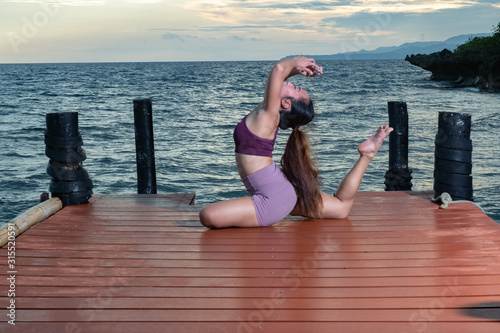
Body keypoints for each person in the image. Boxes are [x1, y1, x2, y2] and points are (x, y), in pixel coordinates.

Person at [199, 56, 393, 228]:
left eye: (296, 88)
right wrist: (299, 69)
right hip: (283, 189)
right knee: (341, 209)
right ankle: (367, 155)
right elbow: (281, 76)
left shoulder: (269, 115)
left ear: (286, 104)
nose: (291, 83)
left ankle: (366, 156)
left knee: (207, 215)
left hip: (274, 199)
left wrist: (296, 61)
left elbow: (278, 71)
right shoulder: (267, 112)